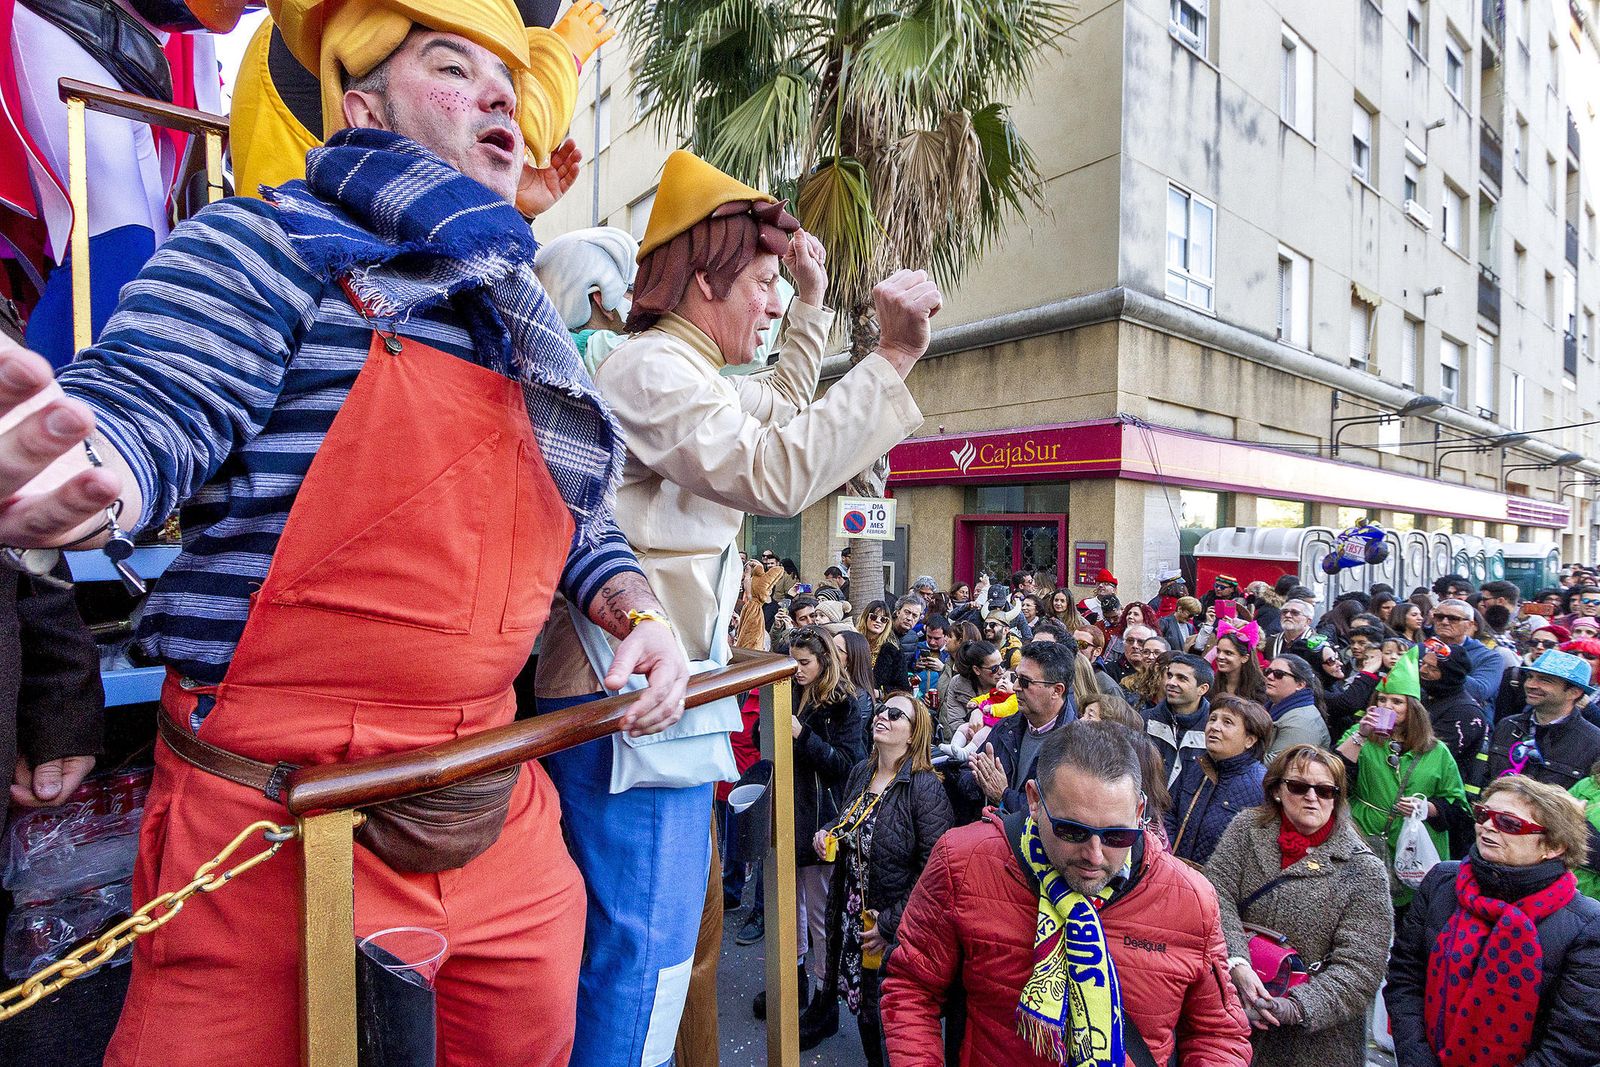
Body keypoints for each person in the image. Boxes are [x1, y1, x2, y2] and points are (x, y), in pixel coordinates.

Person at [25, 9, 696, 1061]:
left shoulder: (518, 312)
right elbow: (149, 401)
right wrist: (87, 468)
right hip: (267, 830)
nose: (496, 96)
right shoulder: (267, 243)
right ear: (361, 107)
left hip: (494, 813)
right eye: (450, 67)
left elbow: (576, 515)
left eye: (506, 80)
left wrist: (633, 609)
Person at [540, 141, 936, 1064]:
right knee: (638, 959)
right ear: (704, 278)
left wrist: (810, 306)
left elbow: (783, 419)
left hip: (650, 706)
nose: (768, 298)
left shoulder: (680, 369)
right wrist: (890, 356)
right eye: (760, 280)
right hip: (621, 706)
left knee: (659, 956)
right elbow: (775, 467)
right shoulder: (646, 369)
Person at [881, 719, 1252, 1065]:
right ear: (1034, 800)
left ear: (1139, 810)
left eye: (1117, 835)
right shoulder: (965, 861)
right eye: (1072, 831)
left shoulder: (1191, 899)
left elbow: (1218, 1034)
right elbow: (912, 987)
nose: (1094, 855)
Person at [1385, 775, 1600, 1067]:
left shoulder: (1586, 924)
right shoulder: (1441, 883)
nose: (1487, 826)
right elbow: (1405, 979)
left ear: (1554, 846)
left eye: (1508, 823)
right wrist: (1418, 1059)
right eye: (1483, 814)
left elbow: (1573, 1041)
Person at [1205, 744, 1393, 1067]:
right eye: (1298, 786)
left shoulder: (1364, 871)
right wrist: (1237, 963)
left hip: (1314, 1047)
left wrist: (1294, 1007)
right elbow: (1215, 895)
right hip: (1233, 1020)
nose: (1312, 797)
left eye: (1324, 790)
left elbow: (1360, 971)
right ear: (1277, 790)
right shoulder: (1246, 830)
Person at [813, 691, 953, 1063]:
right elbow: (849, 822)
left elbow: (936, 872)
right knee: (865, 1009)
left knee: (893, 1016)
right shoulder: (862, 771)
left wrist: (890, 923)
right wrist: (828, 831)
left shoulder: (924, 788)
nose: (882, 717)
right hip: (854, 913)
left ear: (913, 734)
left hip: (893, 923)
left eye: (895, 714)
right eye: (880, 710)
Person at [757, 627, 867, 1022]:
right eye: (793, 661)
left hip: (820, 818)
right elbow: (762, 740)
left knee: (820, 912)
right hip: (787, 810)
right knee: (791, 907)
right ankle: (794, 978)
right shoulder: (789, 690)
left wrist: (802, 735)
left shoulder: (846, 704)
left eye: (804, 663)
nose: (797, 669)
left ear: (824, 663)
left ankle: (825, 996)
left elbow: (847, 765)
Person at [1338, 648, 1468, 911]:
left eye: (1396, 702)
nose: (1387, 707)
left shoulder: (1436, 751)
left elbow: (1459, 808)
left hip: (1412, 849)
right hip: (1363, 838)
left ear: (1413, 709)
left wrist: (1428, 808)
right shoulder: (1358, 735)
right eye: (1382, 700)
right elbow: (1334, 777)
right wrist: (1361, 736)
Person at [960, 641, 1077, 815]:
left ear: (1056, 691)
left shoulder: (1075, 748)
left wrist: (1004, 795)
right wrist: (982, 780)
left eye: (1025, 682)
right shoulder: (1007, 725)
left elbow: (1052, 816)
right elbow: (965, 773)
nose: (1015, 687)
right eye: (1016, 678)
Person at [1165, 695, 1271, 866]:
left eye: (1227, 722)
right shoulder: (1198, 766)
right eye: (1212, 719)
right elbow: (1168, 811)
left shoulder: (1260, 785)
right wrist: (1170, 853)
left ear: (1250, 740)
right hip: (1175, 871)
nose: (1214, 727)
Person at [1475, 649, 1600, 793]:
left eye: (1545, 680)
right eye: (1530, 677)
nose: (1530, 685)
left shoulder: (1593, 743)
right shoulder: (1508, 726)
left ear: (1574, 692)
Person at [1145, 652, 1214, 788]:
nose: (1171, 682)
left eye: (1181, 678)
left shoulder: (1213, 730)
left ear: (1202, 689)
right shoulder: (1145, 720)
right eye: (1170, 676)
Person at [1429, 598, 1506, 708]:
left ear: (1470, 624)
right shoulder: (1421, 649)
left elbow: (1480, 692)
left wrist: (1444, 661)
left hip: (1463, 717)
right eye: (1439, 617)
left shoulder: (1490, 657)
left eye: (1453, 619)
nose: (1444, 622)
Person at [1263, 655, 1332, 760]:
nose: (1270, 677)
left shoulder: (1302, 722)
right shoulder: (1272, 707)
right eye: (1268, 671)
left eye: (1279, 674)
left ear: (1300, 685)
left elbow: (1277, 765)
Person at [936, 640, 1000, 743]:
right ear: (977, 670)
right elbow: (956, 723)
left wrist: (979, 711)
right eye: (994, 668)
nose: (1001, 671)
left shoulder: (1008, 683)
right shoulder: (958, 685)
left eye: (1002, 664)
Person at [873, 595, 925, 693]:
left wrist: (915, 667)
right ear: (897, 612)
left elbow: (905, 667)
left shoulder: (913, 637)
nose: (909, 618)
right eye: (907, 612)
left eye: (914, 616)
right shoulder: (881, 630)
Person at [1212, 629, 1269, 704]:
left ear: (1244, 658)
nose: (1220, 656)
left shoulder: (1261, 688)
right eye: (1218, 651)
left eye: (1228, 653)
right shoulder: (1212, 683)